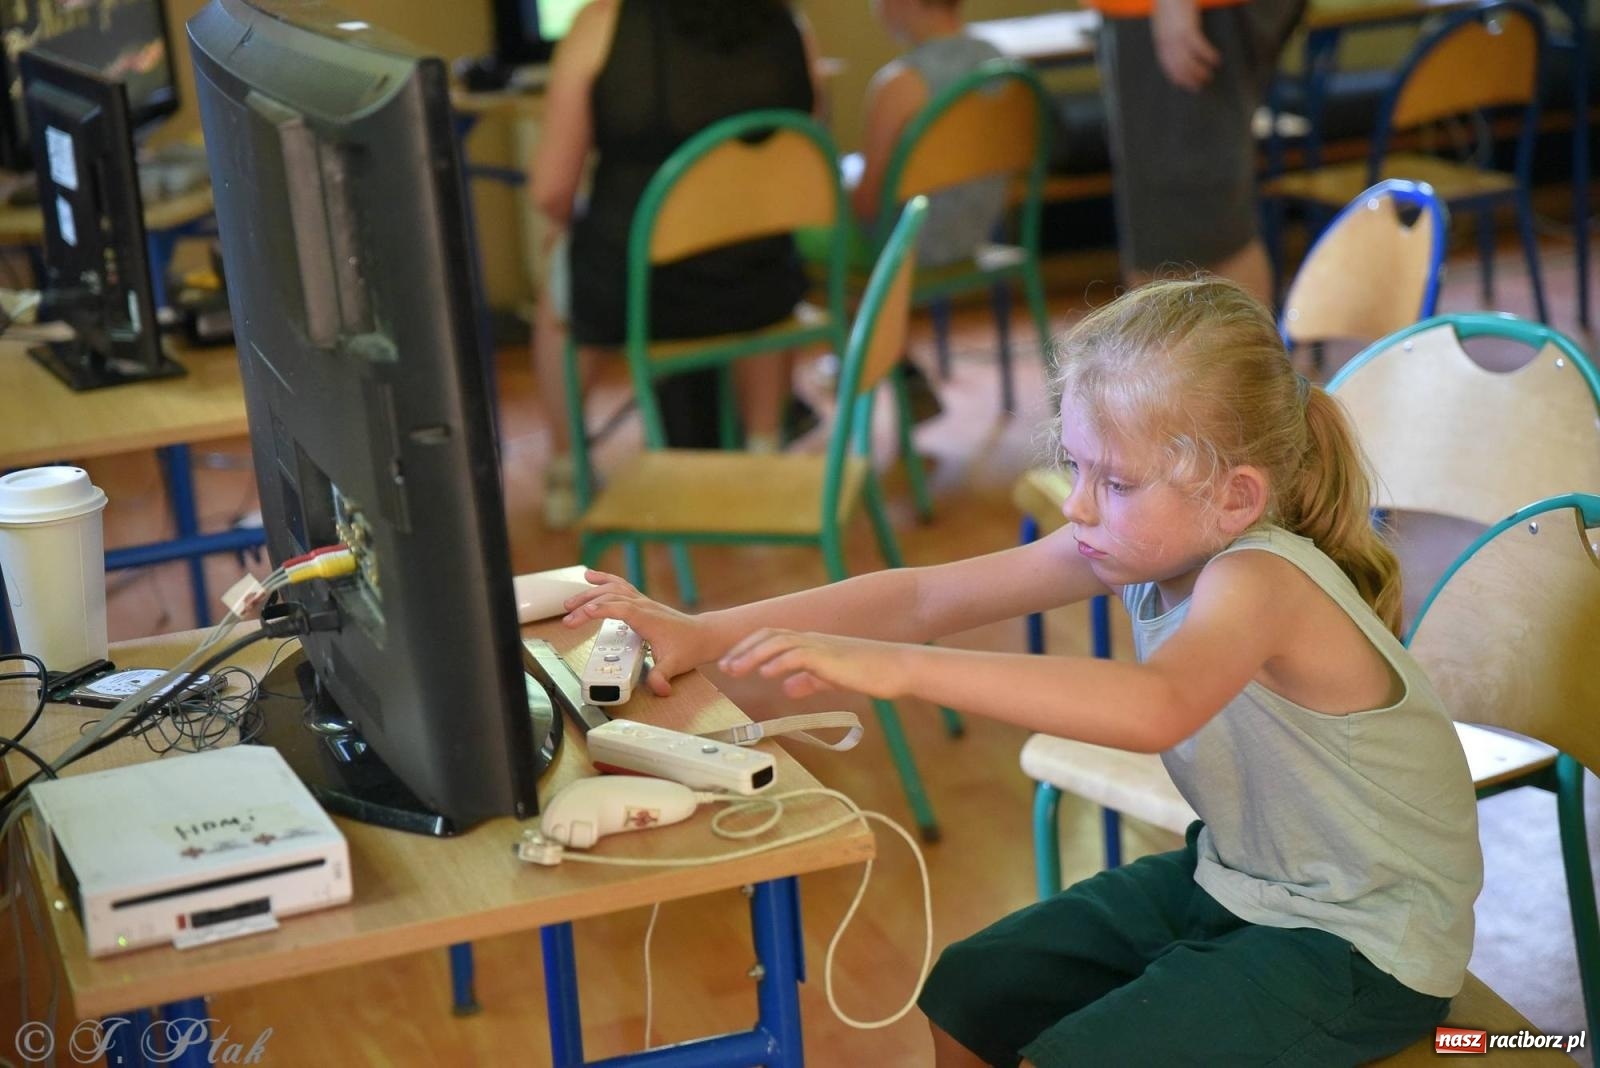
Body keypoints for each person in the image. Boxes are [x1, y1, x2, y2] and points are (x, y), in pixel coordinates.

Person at [560, 277, 1484, 1065]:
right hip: (1242, 882)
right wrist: (704, 633)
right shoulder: (1149, 538)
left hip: (1366, 945)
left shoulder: (1262, 577)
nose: (1078, 505)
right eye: (1075, 465)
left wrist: (900, 671)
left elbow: (1156, 706)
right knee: (968, 992)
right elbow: (922, 597)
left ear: (1235, 497)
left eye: (1113, 482)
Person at [530, 0, 823, 527]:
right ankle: (764, 447)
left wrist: (569, 225)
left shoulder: (601, 26)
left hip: (637, 292)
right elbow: (810, 152)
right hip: (759, 285)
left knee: (561, 280)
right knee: (758, 256)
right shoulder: (789, 26)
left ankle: (567, 469)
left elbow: (551, 190)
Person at [1091, 0, 1304, 302]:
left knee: (1185, 248)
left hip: (1183, 12)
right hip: (1160, 13)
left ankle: (1235, 336)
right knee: (1178, 241)